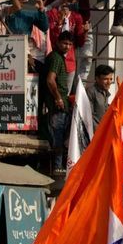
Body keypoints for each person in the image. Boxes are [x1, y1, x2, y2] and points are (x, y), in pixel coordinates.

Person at [49, 0, 98, 81]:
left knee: (86, 57)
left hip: (83, 25)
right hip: (65, 28)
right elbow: (48, 7)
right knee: (67, 59)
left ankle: (80, 88)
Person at [43, 31, 76, 172]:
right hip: (57, 106)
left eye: (69, 44)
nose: (67, 46)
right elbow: (50, 80)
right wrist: (58, 98)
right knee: (58, 137)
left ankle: (59, 166)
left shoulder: (57, 57)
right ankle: (57, 167)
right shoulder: (56, 58)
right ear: (57, 42)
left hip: (61, 103)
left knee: (61, 136)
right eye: (64, 43)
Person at [47, 0, 87, 76]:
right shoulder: (52, 14)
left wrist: (84, 32)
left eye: (70, 1)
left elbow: (80, 42)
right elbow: (53, 39)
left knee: (67, 88)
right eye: (65, 0)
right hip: (54, 60)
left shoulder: (76, 17)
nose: (66, 4)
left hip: (69, 62)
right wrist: (59, 24)